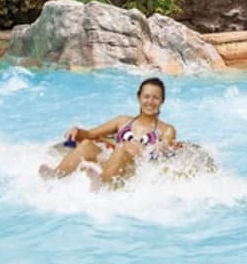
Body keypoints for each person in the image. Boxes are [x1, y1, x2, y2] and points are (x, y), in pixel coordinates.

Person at [38, 77, 176, 187]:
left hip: (131, 170)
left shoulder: (166, 129)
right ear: (139, 97)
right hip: (111, 162)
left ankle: (102, 181)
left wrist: (159, 147)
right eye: (146, 96)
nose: (150, 101)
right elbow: (91, 134)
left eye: (155, 98)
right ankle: (56, 174)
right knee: (86, 144)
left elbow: (164, 149)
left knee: (123, 147)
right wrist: (77, 131)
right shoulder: (122, 121)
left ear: (162, 101)